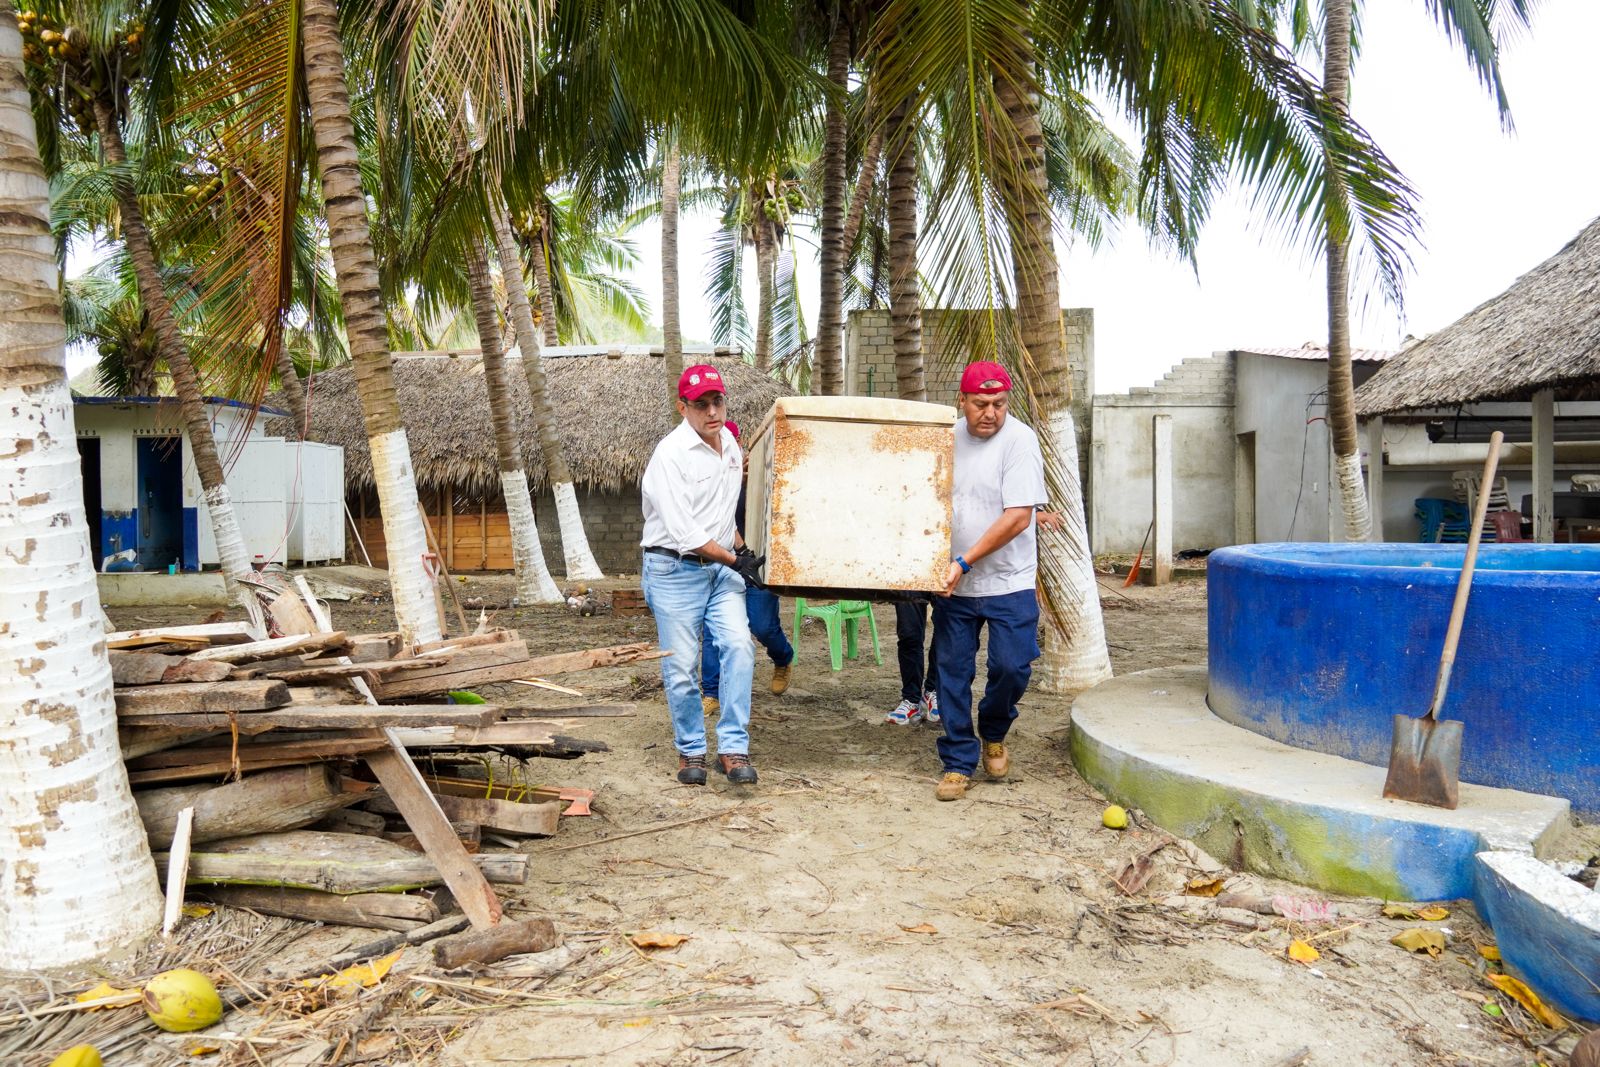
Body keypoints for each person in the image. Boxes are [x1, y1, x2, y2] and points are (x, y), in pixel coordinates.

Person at [640, 365, 767, 786]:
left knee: (739, 647)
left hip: (720, 568)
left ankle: (732, 747)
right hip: (673, 569)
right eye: (700, 405)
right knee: (681, 666)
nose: (712, 411)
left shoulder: (729, 443)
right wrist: (734, 561)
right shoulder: (670, 454)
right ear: (683, 408)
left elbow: (720, 514)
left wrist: (742, 550)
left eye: (717, 401)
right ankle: (691, 749)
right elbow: (686, 533)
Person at [930, 360, 1047, 802]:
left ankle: (994, 731)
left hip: (1009, 580)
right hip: (953, 583)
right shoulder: (945, 438)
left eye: (999, 403)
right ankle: (958, 760)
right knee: (952, 672)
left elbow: (1018, 517)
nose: (991, 413)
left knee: (1012, 667)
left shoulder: (1020, 440)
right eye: (981, 404)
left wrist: (964, 561)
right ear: (961, 401)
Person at [701, 420, 795, 714]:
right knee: (713, 630)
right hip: (722, 562)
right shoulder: (706, 476)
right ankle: (712, 691)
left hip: (758, 562)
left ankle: (783, 657)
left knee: (762, 625)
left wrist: (754, 481)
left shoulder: (762, 475)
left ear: (739, 445)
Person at [886, 597, 939, 726]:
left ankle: (933, 691)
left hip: (947, 585)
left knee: (945, 631)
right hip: (909, 585)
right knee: (909, 634)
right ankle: (911, 700)